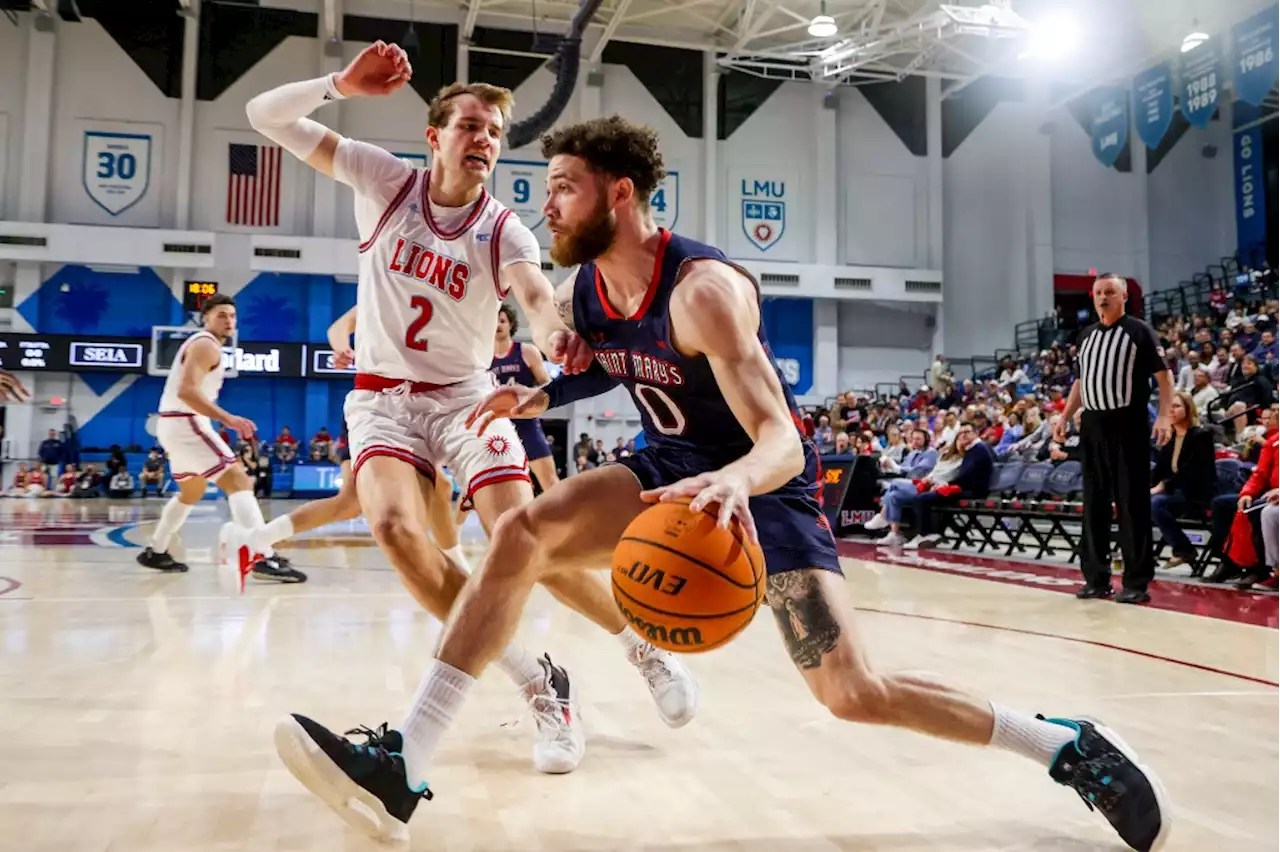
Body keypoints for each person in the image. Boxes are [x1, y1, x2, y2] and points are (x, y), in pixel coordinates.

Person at [274, 117, 1169, 852]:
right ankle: (406, 763)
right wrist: (542, 389)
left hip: (764, 491)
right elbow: (610, 364)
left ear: (619, 195)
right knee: (521, 535)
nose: (545, 202)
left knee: (851, 692)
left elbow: (780, 436)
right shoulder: (589, 289)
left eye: (564, 187)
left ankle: (1064, 747)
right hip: (670, 471)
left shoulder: (703, 291)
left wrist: (737, 482)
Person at [246, 42, 697, 778]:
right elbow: (263, 116)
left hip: (466, 403)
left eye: (493, 130)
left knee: (528, 541)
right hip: (383, 399)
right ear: (435, 137)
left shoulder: (502, 229)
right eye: (469, 126)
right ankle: (539, 682)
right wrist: (340, 84)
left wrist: (554, 335)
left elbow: (533, 297)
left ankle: (639, 645)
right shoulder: (383, 181)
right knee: (394, 530)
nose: (483, 139)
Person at [135, 294, 306, 588]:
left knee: (191, 490)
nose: (228, 321)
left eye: (232, 316)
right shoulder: (205, 345)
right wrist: (229, 419)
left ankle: (157, 550)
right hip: (186, 421)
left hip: (174, 424)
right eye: (221, 315)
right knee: (239, 480)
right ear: (205, 318)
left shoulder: (204, 345)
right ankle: (263, 555)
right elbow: (188, 391)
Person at [1056, 274, 1174, 605]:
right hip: (1092, 423)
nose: (1103, 297)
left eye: (1110, 292)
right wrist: (1065, 416)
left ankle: (1136, 581)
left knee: (1131, 503)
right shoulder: (1086, 336)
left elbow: (1164, 377)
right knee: (1093, 503)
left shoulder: (1139, 331)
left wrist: (1164, 415)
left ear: (1123, 296)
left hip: (1128, 422)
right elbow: (1080, 382)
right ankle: (1096, 578)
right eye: (1098, 292)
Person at [490, 303, 560, 492]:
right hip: (498, 427)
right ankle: (456, 523)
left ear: (511, 324)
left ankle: (564, 520)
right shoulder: (484, 357)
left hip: (526, 423)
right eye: (494, 320)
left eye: (502, 320)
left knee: (550, 482)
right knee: (489, 488)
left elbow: (547, 384)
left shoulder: (526, 351)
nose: (498, 324)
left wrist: (531, 398)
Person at [1149, 391, 1217, 572]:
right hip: (1175, 492)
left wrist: (1164, 485)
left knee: (1155, 503)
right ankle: (1142, 556)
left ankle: (1184, 549)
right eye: (1169, 407)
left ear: (1188, 410)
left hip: (1195, 493)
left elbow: (1194, 472)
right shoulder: (1169, 438)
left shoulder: (1200, 435)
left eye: (1177, 406)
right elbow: (1159, 471)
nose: (1172, 410)